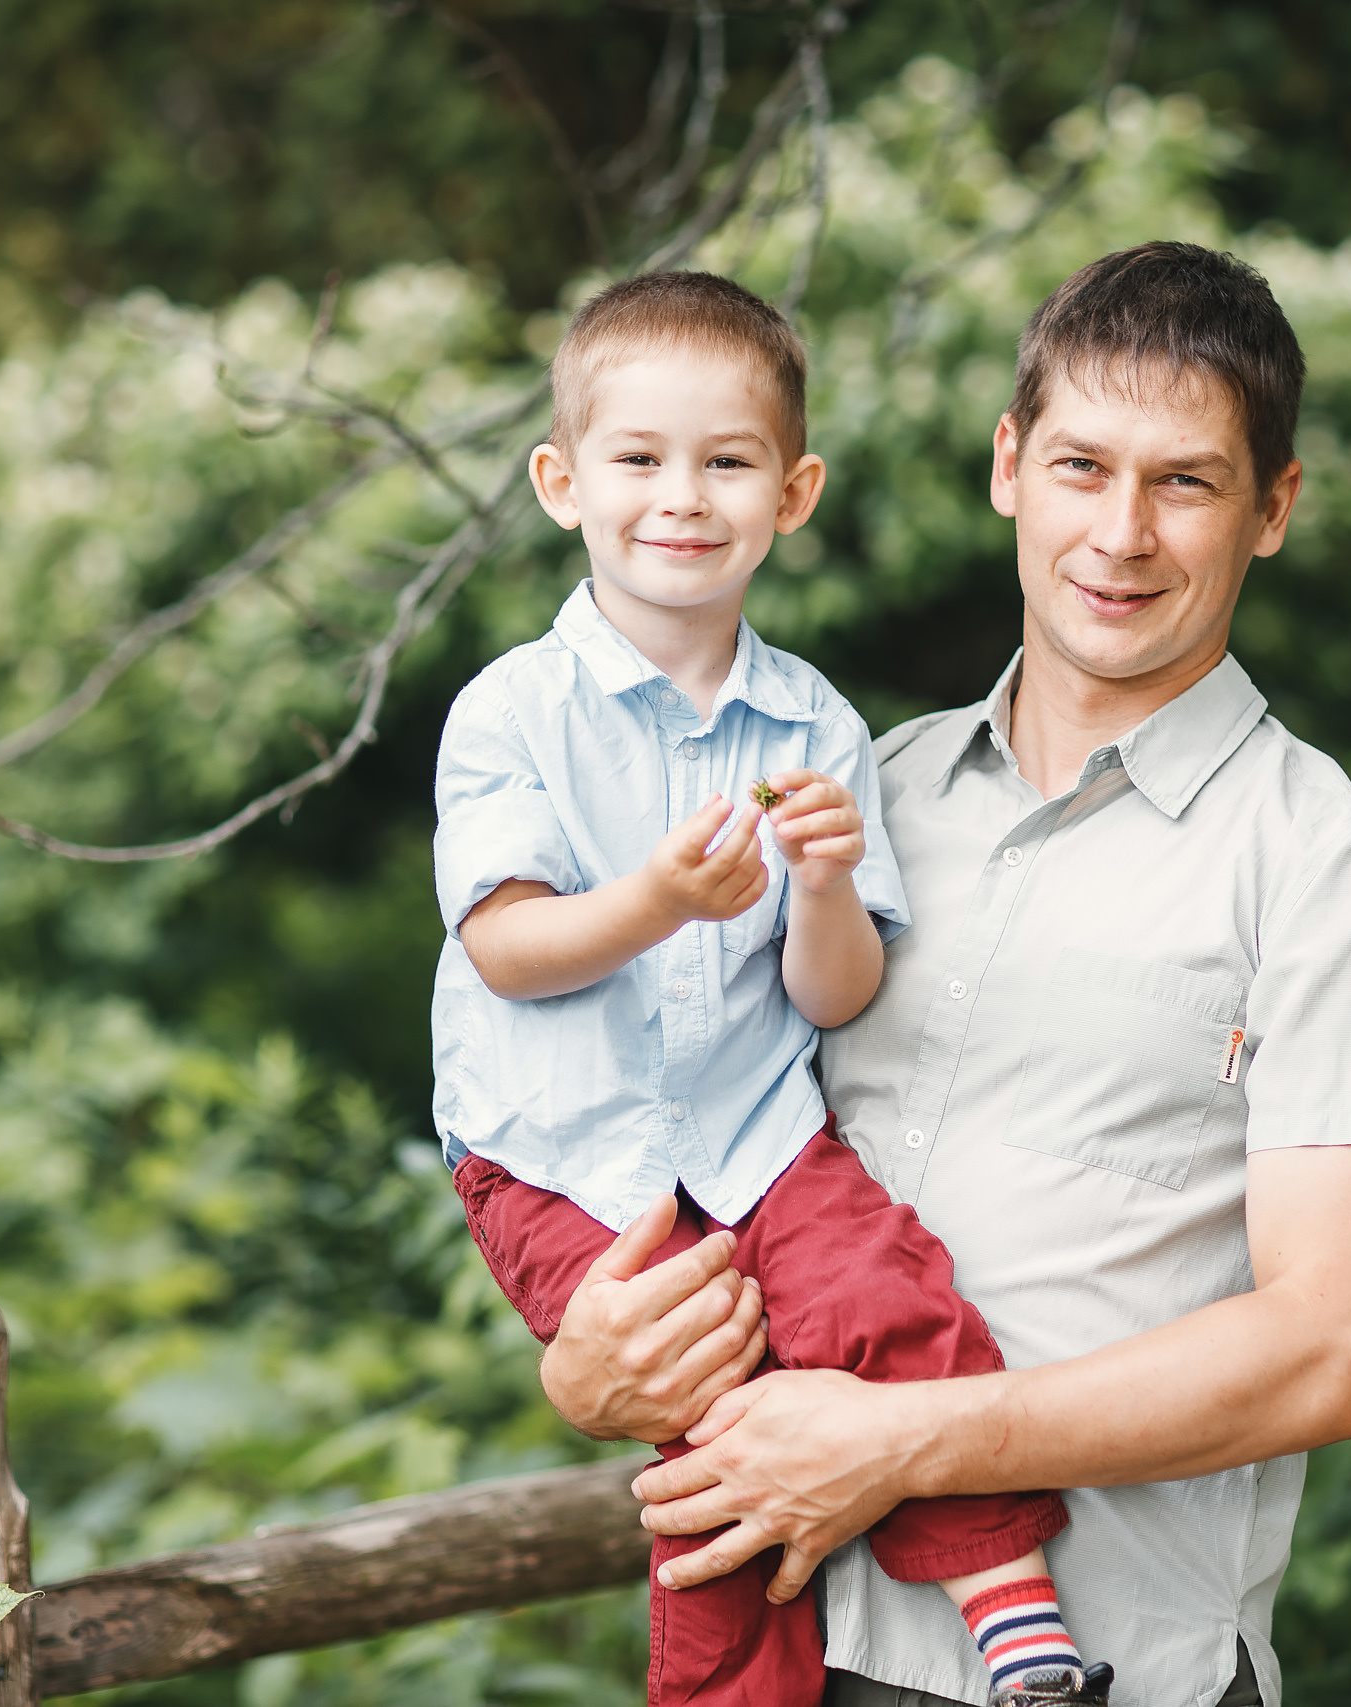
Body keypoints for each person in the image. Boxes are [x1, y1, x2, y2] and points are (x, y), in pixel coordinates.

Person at [532, 243, 1351, 1707]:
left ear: (1273, 511)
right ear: (1007, 468)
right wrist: (590, 1361)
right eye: (1081, 467)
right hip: (783, 1652)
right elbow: (676, 1135)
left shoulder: (1337, 876)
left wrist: (905, 1442)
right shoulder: (852, 799)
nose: (1119, 534)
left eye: (1184, 482)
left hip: (1094, 1676)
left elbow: (1329, 1352)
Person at [429, 271, 1115, 1707]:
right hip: (562, 1156)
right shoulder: (510, 713)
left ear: (791, 493)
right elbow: (506, 945)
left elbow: (835, 997)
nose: (682, 495)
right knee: (722, 1446)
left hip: (753, 1130)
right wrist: (660, 901)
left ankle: (1011, 1615)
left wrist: (817, 884)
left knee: (894, 1296)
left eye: (728, 461)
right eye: (639, 459)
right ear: (563, 482)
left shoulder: (815, 724)